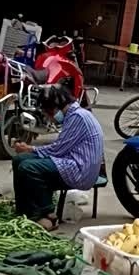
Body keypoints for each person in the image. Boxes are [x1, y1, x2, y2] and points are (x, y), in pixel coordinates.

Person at [12, 84, 104, 229]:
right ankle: (25, 211)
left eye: (47, 113)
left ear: (55, 108)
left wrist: (30, 149)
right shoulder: (73, 115)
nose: (49, 118)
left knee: (28, 167)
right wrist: (30, 151)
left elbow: (58, 149)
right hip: (72, 161)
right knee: (19, 160)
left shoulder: (78, 117)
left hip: (80, 170)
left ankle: (48, 214)